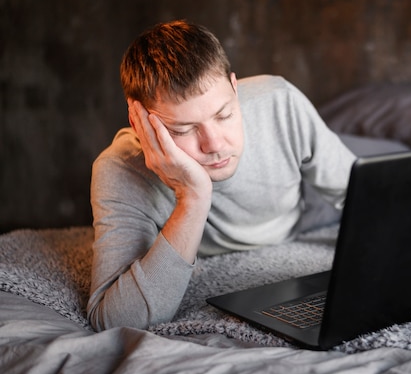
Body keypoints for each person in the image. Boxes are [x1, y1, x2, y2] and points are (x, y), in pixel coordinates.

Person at [87, 20, 356, 331]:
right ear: (141, 124)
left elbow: (364, 194)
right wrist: (193, 197)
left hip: (310, 197)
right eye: (182, 130)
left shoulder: (280, 102)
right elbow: (115, 320)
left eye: (225, 114)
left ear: (234, 86)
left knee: (390, 159)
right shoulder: (119, 169)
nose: (215, 145)